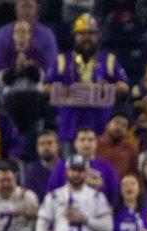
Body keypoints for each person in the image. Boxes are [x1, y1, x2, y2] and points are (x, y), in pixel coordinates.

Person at [44, 14, 130, 142]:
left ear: (97, 36)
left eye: (91, 34)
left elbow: (124, 86)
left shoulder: (108, 59)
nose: (86, 38)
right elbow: (45, 87)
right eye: (82, 34)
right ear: (74, 36)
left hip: (101, 129)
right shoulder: (63, 60)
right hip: (70, 127)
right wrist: (62, 90)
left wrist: (108, 88)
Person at [46, 126, 119, 202]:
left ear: (96, 143)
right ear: (75, 143)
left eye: (90, 140)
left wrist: (100, 186)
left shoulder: (107, 167)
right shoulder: (62, 166)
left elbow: (114, 194)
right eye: (82, 140)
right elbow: (51, 192)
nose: (86, 144)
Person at [0, 0, 58, 75]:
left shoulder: (46, 34)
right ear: (16, 9)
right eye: (23, 6)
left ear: (36, 9)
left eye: (30, 7)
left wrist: (32, 67)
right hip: (8, 81)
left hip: (40, 82)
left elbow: (52, 65)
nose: (26, 11)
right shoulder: (3, 33)